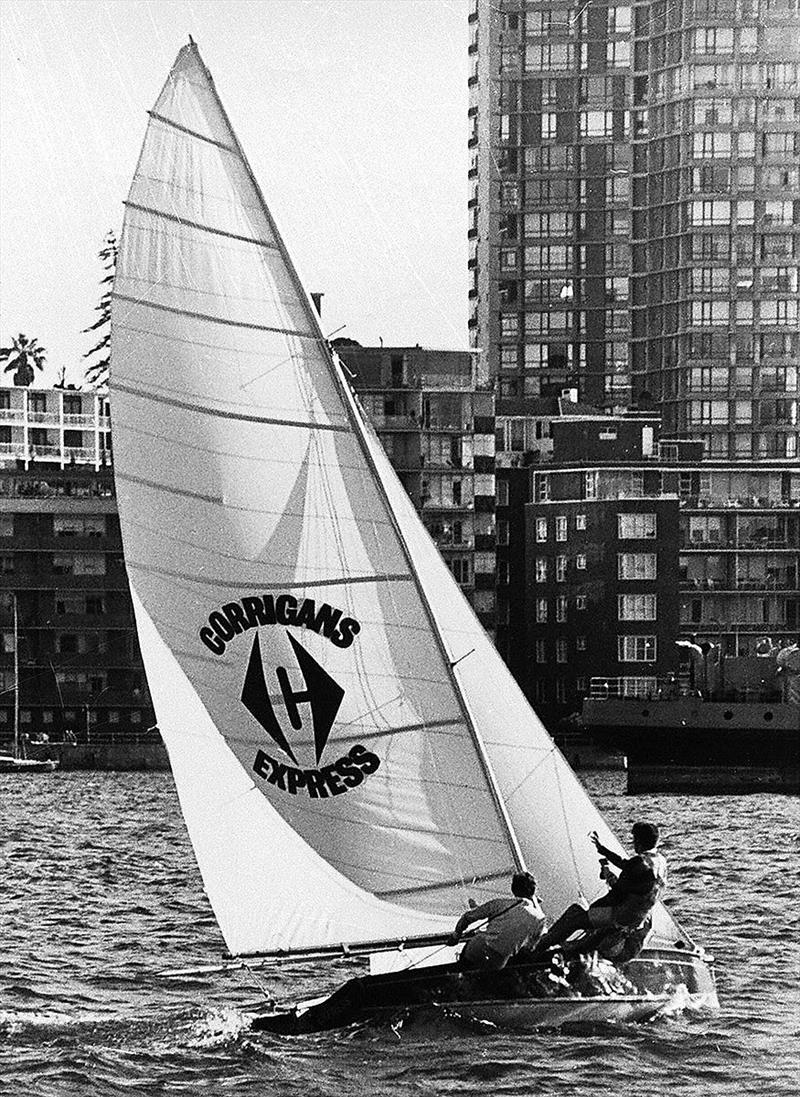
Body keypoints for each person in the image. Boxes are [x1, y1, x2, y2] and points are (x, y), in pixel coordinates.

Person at [535, 822, 667, 953]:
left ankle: (537, 949)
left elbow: (616, 894)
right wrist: (602, 849)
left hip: (622, 917)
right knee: (575, 911)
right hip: (640, 918)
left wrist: (593, 909)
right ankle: (546, 941)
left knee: (575, 921)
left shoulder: (639, 862)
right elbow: (625, 865)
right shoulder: (660, 861)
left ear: (638, 841)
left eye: (634, 839)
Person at [449, 871, 546, 971]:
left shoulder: (499, 904)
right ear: (533, 891)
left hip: (477, 949)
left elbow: (467, 918)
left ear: (513, 889)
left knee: (463, 973)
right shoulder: (540, 918)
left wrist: (456, 936)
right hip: (496, 962)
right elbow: (530, 948)